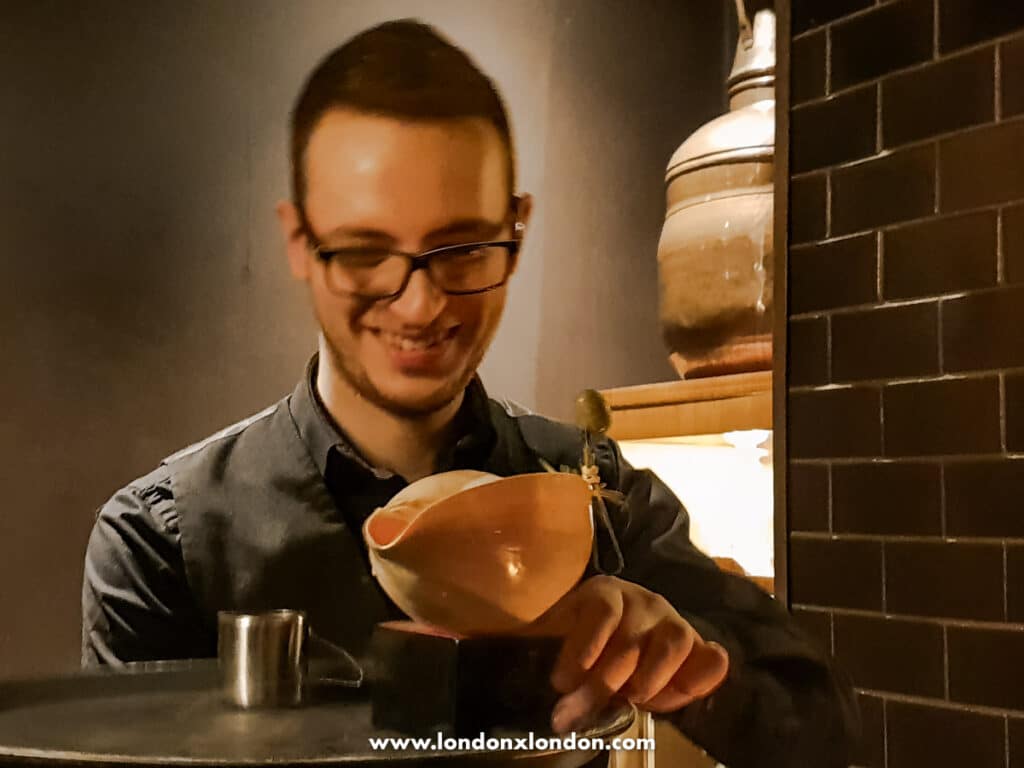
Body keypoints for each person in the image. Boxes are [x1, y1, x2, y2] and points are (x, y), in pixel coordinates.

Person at [82, 19, 857, 768]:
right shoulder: (162, 542)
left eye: (462, 248)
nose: (418, 305)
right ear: (300, 243)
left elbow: (819, 724)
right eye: (364, 251)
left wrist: (694, 668)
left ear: (516, 230)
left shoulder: (594, 489)